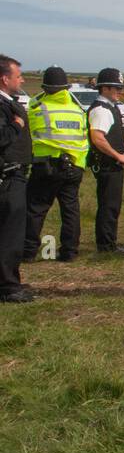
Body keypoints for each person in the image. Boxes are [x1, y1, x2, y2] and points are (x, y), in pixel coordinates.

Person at [23, 66, 89, 263]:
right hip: (75, 165)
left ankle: (28, 251)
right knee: (70, 209)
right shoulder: (78, 111)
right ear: (66, 88)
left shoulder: (37, 109)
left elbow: (28, 135)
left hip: (47, 166)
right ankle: (69, 251)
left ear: (45, 87)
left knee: (36, 208)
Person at [85, 68, 124, 256]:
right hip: (107, 165)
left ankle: (108, 242)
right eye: (116, 88)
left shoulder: (109, 107)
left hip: (111, 164)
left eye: (120, 87)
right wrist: (118, 156)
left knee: (112, 205)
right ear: (104, 88)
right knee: (108, 205)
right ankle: (106, 246)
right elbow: (97, 138)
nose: (120, 91)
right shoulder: (101, 110)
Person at [0, 54, 32, 302]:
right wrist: (17, 125)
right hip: (7, 178)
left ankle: (10, 279)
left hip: (15, 175)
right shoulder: (3, 107)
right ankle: (9, 287)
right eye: (18, 76)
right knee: (10, 234)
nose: (21, 79)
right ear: (4, 79)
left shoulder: (9, 101)